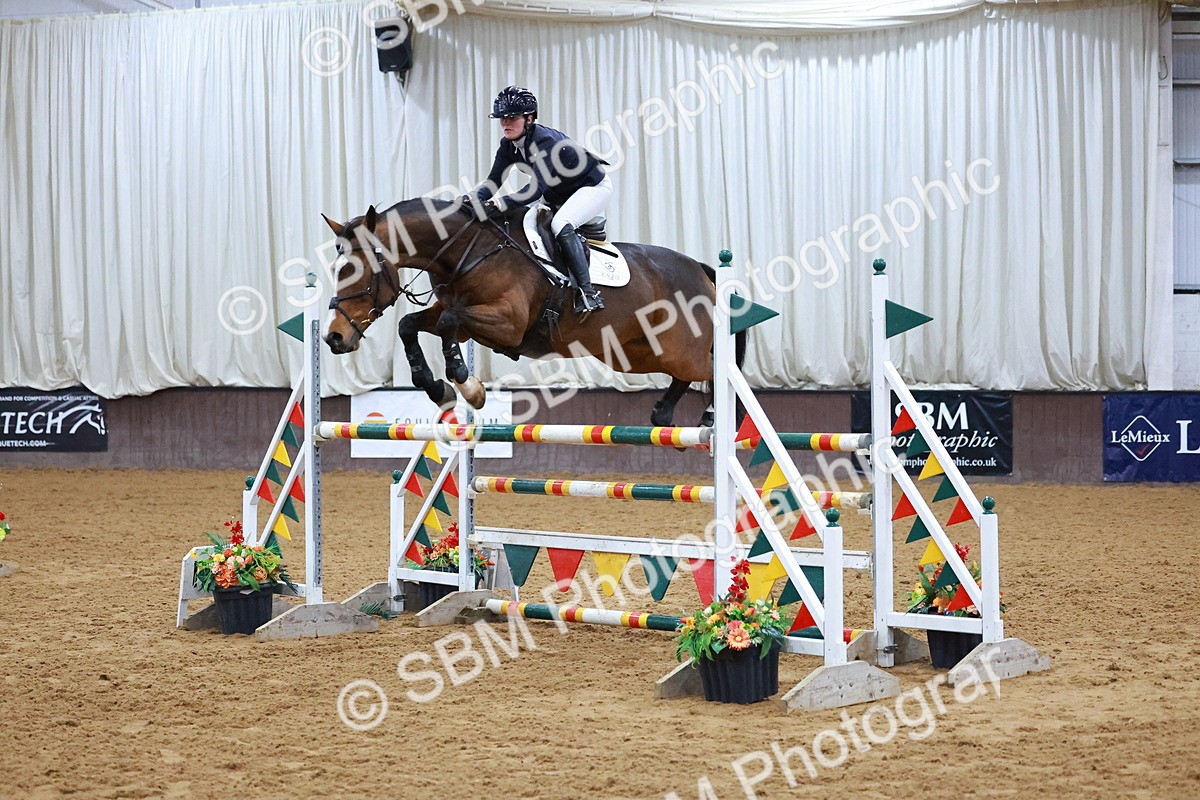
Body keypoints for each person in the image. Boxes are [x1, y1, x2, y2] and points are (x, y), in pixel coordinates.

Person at [462, 86, 611, 314]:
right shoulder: (508, 145)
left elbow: (533, 191)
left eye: (512, 118)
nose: (505, 124)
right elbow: (493, 181)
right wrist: (471, 200)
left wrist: (496, 205)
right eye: (502, 118)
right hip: (558, 191)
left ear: (529, 119)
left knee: (560, 224)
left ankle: (587, 293)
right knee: (519, 220)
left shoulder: (545, 142)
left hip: (591, 186)